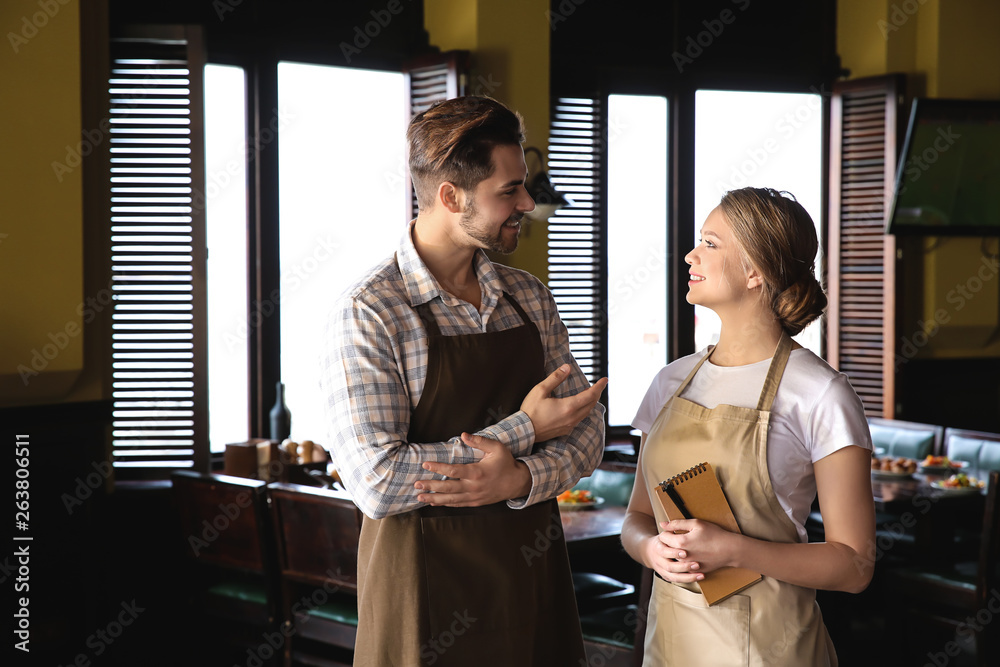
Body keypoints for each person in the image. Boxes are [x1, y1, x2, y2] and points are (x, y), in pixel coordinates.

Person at [319, 95, 608, 667]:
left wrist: (518, 479)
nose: (527, 202)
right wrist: (525, 430)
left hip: (532, 586)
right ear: (451, 196)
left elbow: (588, 432)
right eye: (509, 191)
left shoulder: (530, 298)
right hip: (420, 603)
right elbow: (377, 480)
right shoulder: (371, 311)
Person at [620, 187, 875, 666]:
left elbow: (855, 566)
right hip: (671, 646)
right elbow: (635, 519)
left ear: (756, 271)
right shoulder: (670, 381)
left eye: (711, 243)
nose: (691, 255)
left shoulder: (820, 393)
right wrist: (651, 549)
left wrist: (734, 551)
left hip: (772, 649)